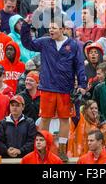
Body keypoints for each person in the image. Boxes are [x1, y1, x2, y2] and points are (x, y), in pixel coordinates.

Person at [20, 18, 87, 161]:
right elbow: (28, 43)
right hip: (47, 87)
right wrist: (26, 25)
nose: (51, 30)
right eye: (49, 28)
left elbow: (80, 66)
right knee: (44, 119)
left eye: (54, 28)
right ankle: (42, 149)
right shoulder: (45, 42)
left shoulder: (73, 45)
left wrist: (82, 85)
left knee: (64, 119)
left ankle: (62, 150)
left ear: (63, 29)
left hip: (65, 89)